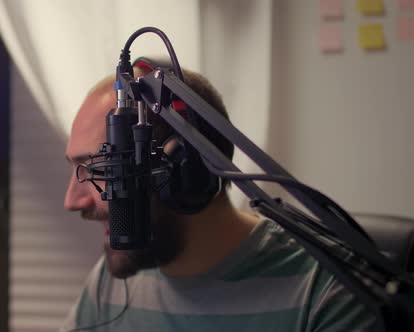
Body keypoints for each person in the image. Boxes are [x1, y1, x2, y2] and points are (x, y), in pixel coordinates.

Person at [61, 63, 378, 331]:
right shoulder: (108, 285)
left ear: (183, 170)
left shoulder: (325, 292)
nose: (72, 201)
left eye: (99, 169)